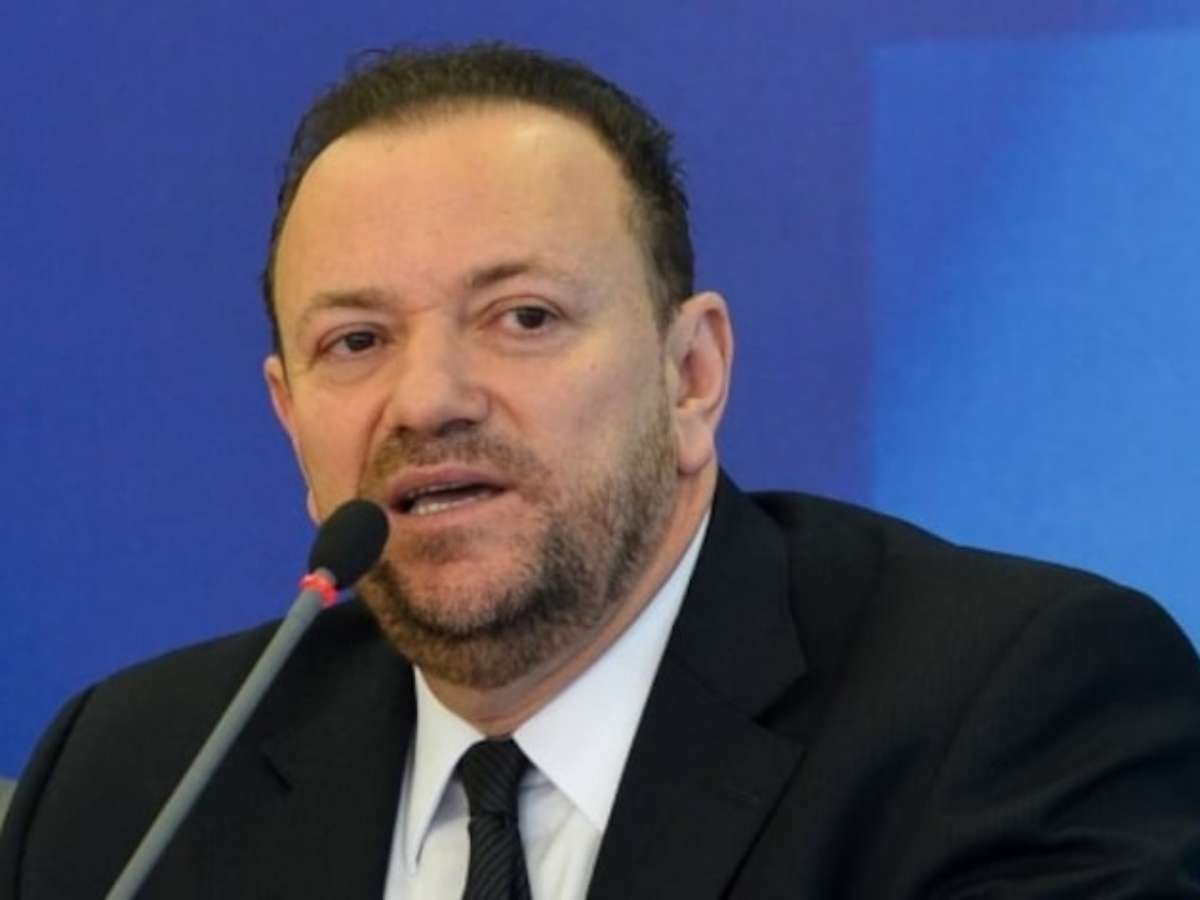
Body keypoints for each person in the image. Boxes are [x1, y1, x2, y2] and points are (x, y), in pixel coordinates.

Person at [2, 42, 1199, 899]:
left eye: (523, 317)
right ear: (289, 415)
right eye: (356, 342)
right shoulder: (133, 781)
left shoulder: (1010, 716)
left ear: (691, 376)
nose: (428, 398)